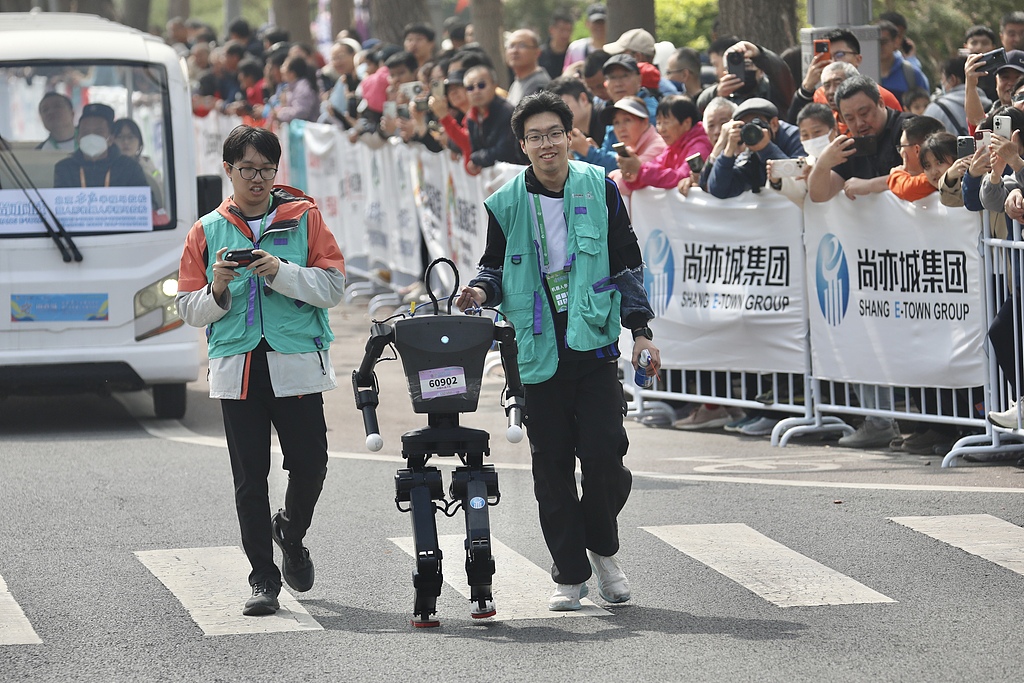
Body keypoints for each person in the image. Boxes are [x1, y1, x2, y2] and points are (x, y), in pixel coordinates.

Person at [455, 90, 660, 611]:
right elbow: (495, 267)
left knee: (606, 458)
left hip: (592, 344)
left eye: (555, 133)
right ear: (522, 145)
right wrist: (479, 292)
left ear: (569, 136)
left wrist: (640, 331)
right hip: (536, 351)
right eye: (535, 136)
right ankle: (570, 574)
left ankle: (602, 549)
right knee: (551, 469)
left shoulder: (600, 186)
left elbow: (626, 262)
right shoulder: (505, 202)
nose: (547, 144)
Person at [175, 125, 346, 617]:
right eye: (247, 169)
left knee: (310, 464)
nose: (257, 179)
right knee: (250, 477)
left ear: (276, 172)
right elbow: (188, 308)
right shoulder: (206, 231)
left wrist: (281, 272)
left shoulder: (304, 218)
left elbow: (334, 287)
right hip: (238, 367)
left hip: (295, 363)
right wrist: (219, 288)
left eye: (266, 170)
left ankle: (290, 532)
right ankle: (263, 579)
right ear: (227, 170)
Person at [703, 97, 805, 199]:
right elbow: (719, 190)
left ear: (774, 124)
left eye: (756, 124)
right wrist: (728, 151)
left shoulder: (795, 137)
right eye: (745, 127)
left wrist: (766, 148)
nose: (751, 131)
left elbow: (799, 180)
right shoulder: (749, 155)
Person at [621, 94, 710, 192]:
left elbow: (680, 178)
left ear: (687, 123)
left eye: (666, 122)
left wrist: (640, 169)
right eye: (658, 123)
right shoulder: (672, 147)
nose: (661, 129)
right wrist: (633, 175)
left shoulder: (700, 146)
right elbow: (654, 169)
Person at [53, 103, 147, 189]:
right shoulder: (65, 168)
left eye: (98, 132)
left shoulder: (129, 167)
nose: (91, 137)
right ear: (78, 138)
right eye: (86, 132)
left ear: (110, 139)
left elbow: (147, 203)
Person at [462, 64, 525, 172]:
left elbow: (504, 152)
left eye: (481, 85)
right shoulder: (471, 117)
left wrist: (476, 158)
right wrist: (477, 157)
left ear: (495, 85)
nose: (476, 91)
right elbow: (475, 150)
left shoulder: (507, 112)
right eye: (470, 88)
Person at [606, 96, 666, 197]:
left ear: (645, 122)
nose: (621, 128)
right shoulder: (632, 148)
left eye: (627, 120)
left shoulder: (658, 146)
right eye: (616, 123)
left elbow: (626, 182)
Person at [924, 56, 990, 136]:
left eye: (942, 79)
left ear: (952, 79)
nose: (942, 83)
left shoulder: (935, 108)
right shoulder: (991, 105)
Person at [887, 115, 947, 202]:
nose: (900, 152)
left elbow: (907, 190)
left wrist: (896, 175)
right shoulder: (948, 165)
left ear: (917, 150)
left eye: (902, 146)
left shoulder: (936, 175)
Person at [111, 118, 163, 208]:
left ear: (139, 142)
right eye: (120, 137)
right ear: (111, 141)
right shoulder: (107, 169)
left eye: (130, 137)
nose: (125, 142)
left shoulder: (149, 167)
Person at [877, 20, 929, 104]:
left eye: (884, 42)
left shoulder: (911, 74)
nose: (879, 46)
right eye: (876, 42)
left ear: (896, 42)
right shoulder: (863, 73)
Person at [546, 76, 607, 147]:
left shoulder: (607, 118)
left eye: (563, 106)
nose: (559, 114)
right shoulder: (573, 135)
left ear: (583, 99)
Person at [506, 29, 551, 106]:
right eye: (511, 46)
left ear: (537, 52)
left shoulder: (539, 85)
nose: (515, 51)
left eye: (522, 45)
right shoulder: (517, 82)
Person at [563, 3, 607, 71]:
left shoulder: (616, 48)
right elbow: (566, 75)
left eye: (602, 22)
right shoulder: (576, 49)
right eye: (595, 23)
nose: (599, 27)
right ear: (587, 23)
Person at [539, 11, 574, 80]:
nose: (565, 34)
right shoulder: (540, 54)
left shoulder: (573, 53)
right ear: (551, 30)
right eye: (562, 30)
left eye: (568, 30)